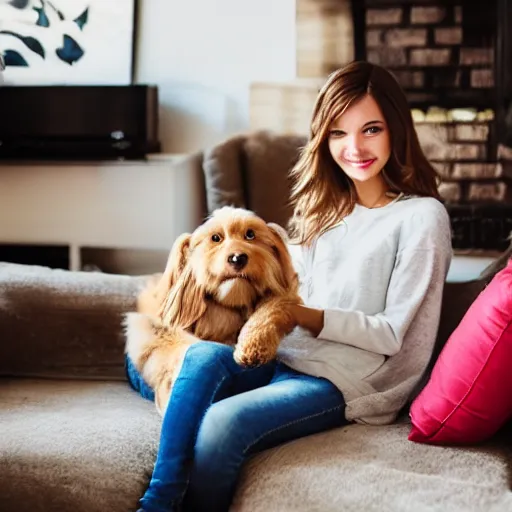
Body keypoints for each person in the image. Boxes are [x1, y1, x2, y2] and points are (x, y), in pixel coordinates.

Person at [126, 60, 453, 512]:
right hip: (287, 356)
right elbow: (284, 285)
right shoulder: (326, 212)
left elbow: (393, 334)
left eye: (371, 129)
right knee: (197, 355)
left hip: (348, 381)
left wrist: (298, 314)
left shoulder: (421, 217)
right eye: (338, 133)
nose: (354, 147)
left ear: (396, 130)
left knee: (222, 423)